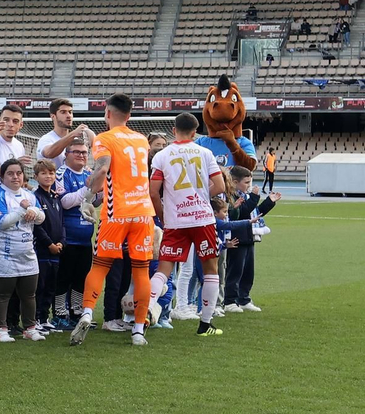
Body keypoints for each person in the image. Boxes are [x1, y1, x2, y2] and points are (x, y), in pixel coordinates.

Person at [70, 94, 154, 347]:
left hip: (117, 212)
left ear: (107, 113)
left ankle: (86, 312)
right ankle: (138, 329)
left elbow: (102, 170)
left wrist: (87, 196)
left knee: (100, 265)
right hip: (143, 213)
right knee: (141, 271)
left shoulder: (104, 139)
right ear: (129, 115)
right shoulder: (142, 140)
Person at [147, 114, 226, 336]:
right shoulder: (206, 153)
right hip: (203, 220)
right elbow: (219, 185)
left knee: (164, 270)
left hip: (175, 221)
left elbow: (153, 192)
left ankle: (145, 313)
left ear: (174, 131)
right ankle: (205, 324)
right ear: (194, 133)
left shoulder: (162, 155)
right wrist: (200, 197)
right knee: (211, 271)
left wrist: (163, 216)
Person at [0, 159, 45, 342]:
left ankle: (30, 327)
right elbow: (2, 223)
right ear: (2, 177)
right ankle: (0, 329)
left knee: (29, 293)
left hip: (26, 251)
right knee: (3, 293)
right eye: (10, 173)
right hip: (3, 252)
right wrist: (22, 211)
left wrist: (33, 211)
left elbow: (41, 218)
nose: (15, 177)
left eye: (18, 173)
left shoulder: (30, 195)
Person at [224, 167, 279, 312]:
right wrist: (255, 197)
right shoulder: (232, 196)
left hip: (249, 236)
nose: (249, 185)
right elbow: (242, 212)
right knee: (235, 271)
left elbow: (255, 214)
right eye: (246, 182)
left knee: (248, 271)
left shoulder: (246, 195)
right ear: (235, 182)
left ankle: (244, 298)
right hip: (237, 237)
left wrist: (269, 202)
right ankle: (230, 300)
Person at [54, 143, 95, 329]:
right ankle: (59, 313)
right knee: (64, 277)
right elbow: (65, 201)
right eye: (76, 152)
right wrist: (88, 190)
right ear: (67, 154)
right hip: (68, 237)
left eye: (84, 152)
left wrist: (98, 193)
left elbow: (94, 200)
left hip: (85, 238)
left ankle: (76, 312)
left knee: (81, 277)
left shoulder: (88, 174)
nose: (81, 155)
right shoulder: (62, 173)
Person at [30, 159, 64, 330]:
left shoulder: (56, 198)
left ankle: (44, 318)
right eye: (43, 173)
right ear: (36, 176)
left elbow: (61, 223)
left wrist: (61, 242)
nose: (48, 176)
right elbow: (37, 226)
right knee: (40, 286)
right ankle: (35, 319)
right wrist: (49, 244)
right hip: (42, 251)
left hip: (56, 251)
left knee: (51, 286)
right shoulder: (35, 197)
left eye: (51, 173)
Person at [37, 98, 92, 167]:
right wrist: (73, 134)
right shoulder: (46, 139)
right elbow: (49, 153)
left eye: (70, 112)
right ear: (53, 116)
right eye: (63, 112)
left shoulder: (76, 140)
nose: (68, 116)